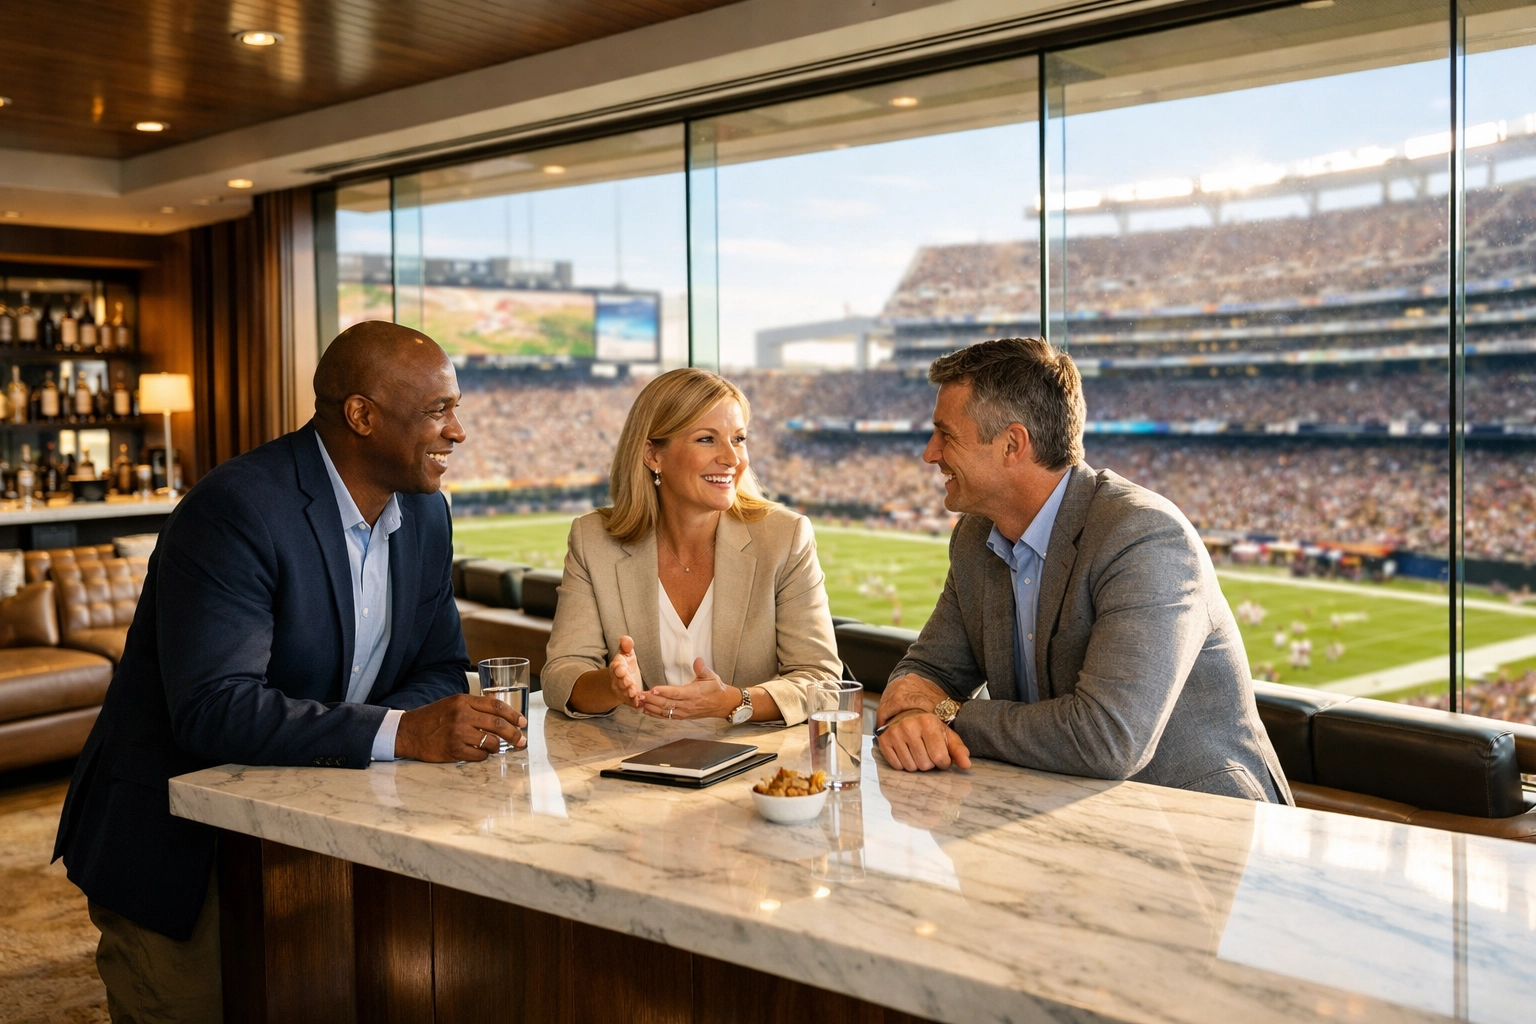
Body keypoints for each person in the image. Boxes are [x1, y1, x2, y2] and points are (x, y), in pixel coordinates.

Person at [53, 321, 527, 1023]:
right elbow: (215, 707)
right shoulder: (237, 508)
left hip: (314, 831)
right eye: (438, 409)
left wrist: (404, 728)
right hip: (183, 843)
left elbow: (441, 666)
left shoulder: (427, 514)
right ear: (362, 415)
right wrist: (401, 732)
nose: (457, 431)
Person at [875, 337, 1291, 804]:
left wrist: (947, 713)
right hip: (1065, 818)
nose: (930, 453)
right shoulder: (976, 537)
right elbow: (926, 671)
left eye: (945, 434)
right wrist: (911, 715)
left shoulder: (1144, 535)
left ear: (1013, 444)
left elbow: (1108, 739)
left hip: (1203, 829)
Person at [543, 367, 841, 725]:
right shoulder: (593, 540)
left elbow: (821, 681)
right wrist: (613, 686)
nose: (732, 459)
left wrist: (733, 701)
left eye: (739, 439)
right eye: (706, 439)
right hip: (633, 762)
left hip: (753, 765)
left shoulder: (786, 537)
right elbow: (560, 674)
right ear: (652, 455)